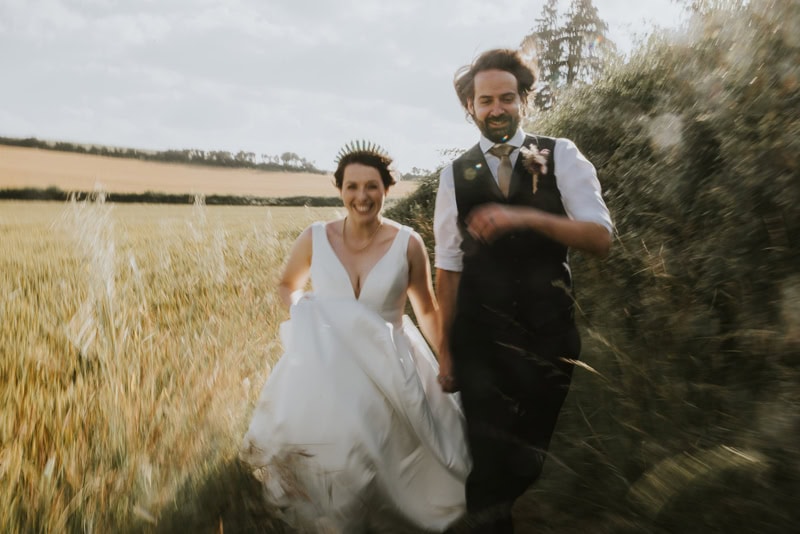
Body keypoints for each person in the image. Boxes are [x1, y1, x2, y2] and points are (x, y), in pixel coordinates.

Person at [240, 141, 470, 533]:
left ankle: (379, 518)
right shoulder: (315, 237)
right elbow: (287, 285)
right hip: (328, 364)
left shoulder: (408, 243)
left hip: (389, 364)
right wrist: (304, 311)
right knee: (333, 452)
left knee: (377, 451)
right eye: (352, 187)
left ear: (386, 189)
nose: (361, 197)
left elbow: (427, 309)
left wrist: (446, 361)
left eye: (371, 187)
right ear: (340, 188)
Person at [433, 49, 613, 532]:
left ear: (523, 101)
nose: (497, 108)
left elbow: (600, 238)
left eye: (507, 98)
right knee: (489, 461)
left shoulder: (562, 155)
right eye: (485, 100)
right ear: (470, 106)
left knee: (527, 459)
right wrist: (446, 353)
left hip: (548, 337)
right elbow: (447, 269)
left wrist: (526, 215)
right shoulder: (453, 176)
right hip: (478, 342)